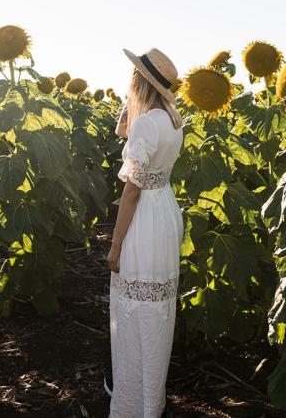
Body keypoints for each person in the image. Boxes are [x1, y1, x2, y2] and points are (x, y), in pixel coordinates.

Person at [106, 48, 185, 418]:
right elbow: (124, 129)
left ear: (140, 82)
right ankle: (151, 397)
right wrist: (132, 103)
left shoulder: (147, 124)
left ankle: (132, 404)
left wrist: (115, 246)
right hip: (165, 210)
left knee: (134, 307)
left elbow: (132, 189)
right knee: (157, 307)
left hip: (143, 218)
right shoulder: (172, 119)